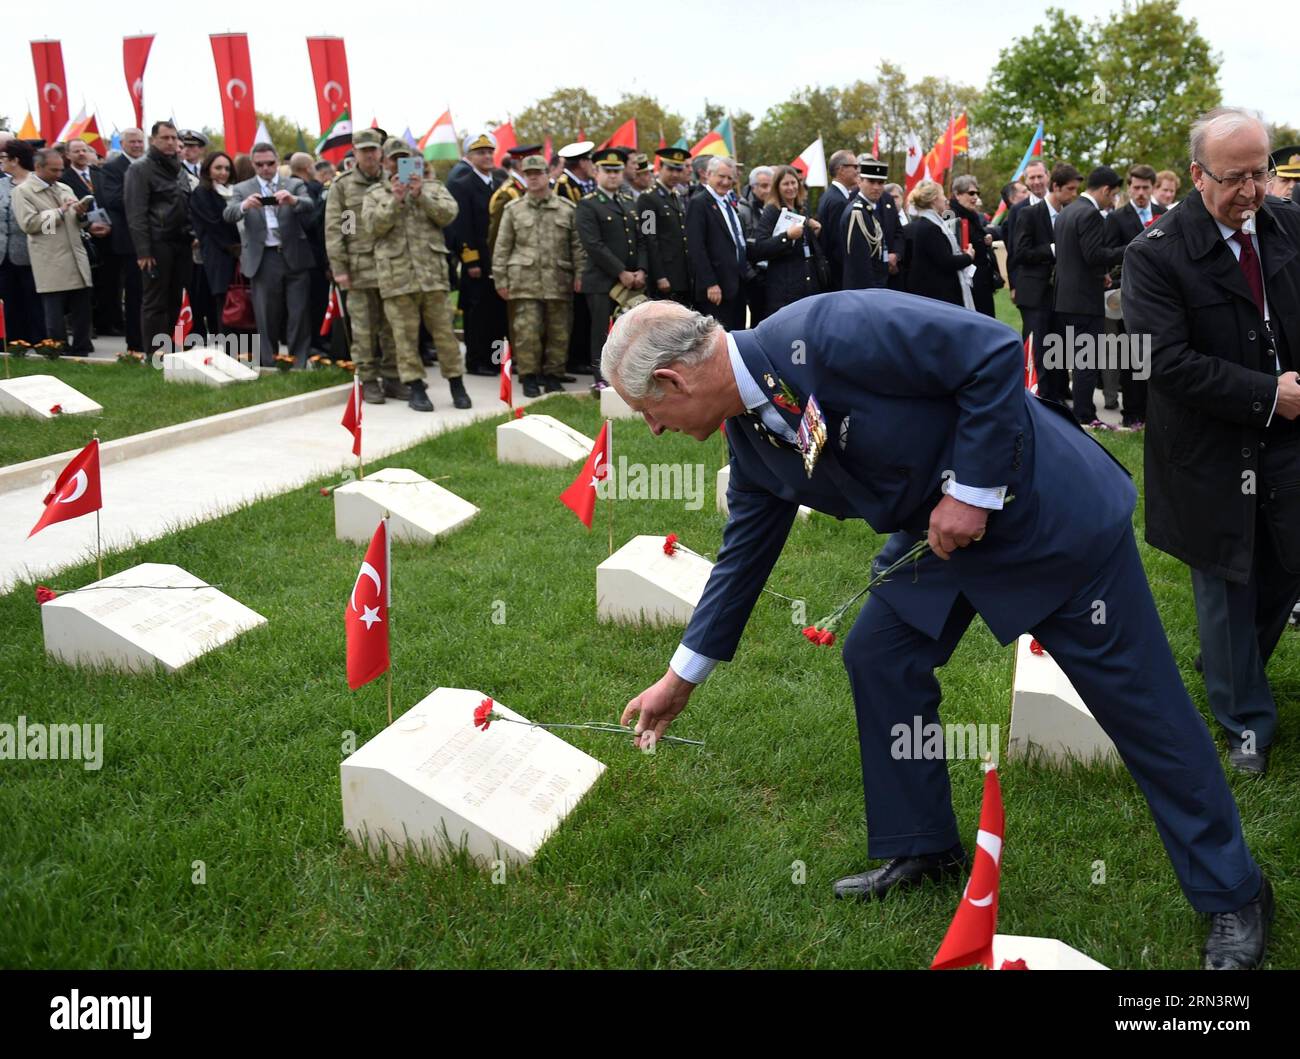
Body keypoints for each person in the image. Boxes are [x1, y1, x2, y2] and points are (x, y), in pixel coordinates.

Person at [603, 291, 1274, 971]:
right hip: (938, 540)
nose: (653, 431)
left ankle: (1234, 891)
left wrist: (969, 493)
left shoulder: (830, 329)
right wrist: (679, 679)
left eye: (647, 415)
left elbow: (988, 350)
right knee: (879, 655)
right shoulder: (750, 437)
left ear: (672, 380)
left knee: (1143, 706)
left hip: (1045, 518)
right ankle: (923, 842)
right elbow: (742, 560)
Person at [1124, 106, 1300, 783]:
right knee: (1229, 576)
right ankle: (1245, 722)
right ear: (1197, 176)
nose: (1251, 192)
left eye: (1259, 174)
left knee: (1286, 562)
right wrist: (1267, 392)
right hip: (1211, 451)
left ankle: (1231, 666)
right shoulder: (1155, 253)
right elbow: (1163, 362)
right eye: (1235, 179)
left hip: (1288, 438)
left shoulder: (1285, 225)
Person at [363, 136, 469, 412]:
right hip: (397, 278)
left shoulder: (433, 187)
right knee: (404, 336)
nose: (399, 164)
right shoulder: (376, 194)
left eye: (404, 158)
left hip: (432, 275)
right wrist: (395, 200)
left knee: (445, 333)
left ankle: (457, 384)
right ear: (385, 163)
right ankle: (416, 388)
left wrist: (421, 195)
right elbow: (372, 227)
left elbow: (449, 214)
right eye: (393, 159)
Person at [494, 154, 585, 397]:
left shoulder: (567, 209)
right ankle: (529, 376)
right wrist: (501, 280)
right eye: (528, 175)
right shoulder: (513, 210)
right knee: (526, 331)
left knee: (559, 330)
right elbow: (502, 247)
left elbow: (577, 245)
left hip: (558, 278)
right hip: (525, 281)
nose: (533, 179)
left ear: (548, 175)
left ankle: (554, 375)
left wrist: (580, 274)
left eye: (538, 174)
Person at [224, 141, 317, 367]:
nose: (266, 168)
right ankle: (269, 362)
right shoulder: (242, 188)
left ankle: (298, 362)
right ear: (253, 165)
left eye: (270, 163)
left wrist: (292, 200)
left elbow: (310, 204)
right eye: (260, 165)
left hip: (294, 254)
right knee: (266, 314)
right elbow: (228, 214)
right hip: (263, 257)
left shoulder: (293, 184)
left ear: (277, 161)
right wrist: (245, 206)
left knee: (298, 312)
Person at [12, 147, 108, 352]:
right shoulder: (23, 192)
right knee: (54, 309)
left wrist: (81, 214)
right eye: (54, 170)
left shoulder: (64, 188)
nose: (58, 174)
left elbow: (76, 224)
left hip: (76, 254)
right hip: (50, 258)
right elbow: (30, 225)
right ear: (38, 167)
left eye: (60, 170)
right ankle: (58, 349)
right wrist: (59, 212)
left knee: (82, 307)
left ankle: (82, 346)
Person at [1053, 166, 1127, 427]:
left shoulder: (1067, 212)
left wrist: (1100, 274)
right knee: (1087, 361)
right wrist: (1129, 249)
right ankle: (1085, 416)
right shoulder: (1090, 214)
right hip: (1084, 301)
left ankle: (1082, 413)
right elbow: (1094, 254)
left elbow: (1077, 258)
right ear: (1106, 190)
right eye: (1114, 195)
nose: (1113, 200)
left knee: (1078, 359)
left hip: (1065, 298)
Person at [576, 146, 647, 390]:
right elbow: (593, 245)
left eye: (617, 170)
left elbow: (643, 239)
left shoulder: (630, 202)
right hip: (602, 281)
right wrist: (621, 272)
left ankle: (627, 375)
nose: (613, 175)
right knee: (601, 332)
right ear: (596, 172)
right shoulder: (588, 205)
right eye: (607, 170)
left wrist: (642, 270)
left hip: (632, 279)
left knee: (629, 331)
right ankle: (602, 379)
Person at [1104, 165, 1167, 429]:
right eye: (1136, 187)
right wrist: (1137, 249)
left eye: (1146, 188)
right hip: (1127, 294)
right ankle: (1132, 412)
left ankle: (1154, 411)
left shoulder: (1164, 215)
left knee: (1156, 357)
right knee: (1130, 358)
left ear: (1153, 188)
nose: (1141, 193)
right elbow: (1106, 254)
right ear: (1129, 187)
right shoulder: (1117, 218)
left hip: (1160, 297)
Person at [1013, 163, 1080, 402]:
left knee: (1057, 346)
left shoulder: (1069, 214)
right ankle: (1034, 396)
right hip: (1034, 292)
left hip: (1059, 292)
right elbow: (1020, 252)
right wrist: (1053, 249)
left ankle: (1054, 394)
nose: (1074, 195)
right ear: (1056, 187)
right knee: (1037, 347)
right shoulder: (1028, 214)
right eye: (1070, 190)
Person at [125, 121, 193, 355]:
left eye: (174, 138)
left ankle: (171, 350)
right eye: (165, 138)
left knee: (175, 298)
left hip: (180, 241)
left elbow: (184, 202)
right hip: (156, 242)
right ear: (153, 140)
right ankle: (154, 353)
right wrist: (143, 250)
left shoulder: (178, 166)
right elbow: (136, 212)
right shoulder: (140, 168)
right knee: (155, 301)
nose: (171, 142)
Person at [447, 131, 507, 377]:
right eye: (480, 152)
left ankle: (494, 360)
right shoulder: (462, 184)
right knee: (477, 315)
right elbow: (461, 227)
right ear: (469, 156)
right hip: (477, 261)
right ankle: (475, 360)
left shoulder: (498, 182)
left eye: (489, 152)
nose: (486, 156)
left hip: (498, 260)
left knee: (496, 315)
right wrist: (470, 260)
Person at [95, 126, 146, 352]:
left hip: (153, 238)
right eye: (132, 142)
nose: (136, 145)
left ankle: (153, 337)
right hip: (128, 241)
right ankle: (135, 342)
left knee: (151, 294)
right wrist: (145, 200)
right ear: (122, 144)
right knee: (134, 293)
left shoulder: (148, 165)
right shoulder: (113, 168)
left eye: (139, 141)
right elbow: (112, 199)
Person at [685, 156, 747, 330]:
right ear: (709, 175)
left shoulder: (729, 203)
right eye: (721, 176)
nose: (726, 182)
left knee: (736, 335)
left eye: (730, 178)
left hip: (737, 284)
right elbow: (696, 247)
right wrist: (710, 283)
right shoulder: (699, 203)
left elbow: (737, 241)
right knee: (717, 339)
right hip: (716, 289)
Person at [751, 164, 822, 313]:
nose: (791, 187)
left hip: (806, 283)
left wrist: (812, 233)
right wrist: (787, 236)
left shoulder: (801, 208)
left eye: (793, 182)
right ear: (777, 187)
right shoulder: (772, 210)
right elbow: (760, 248)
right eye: (785, 184)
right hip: (784, 287)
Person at [188, 151, 242, 338]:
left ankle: (246, 350)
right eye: (218, 168)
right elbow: (214, 225)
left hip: (239, 255)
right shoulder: (202, 193)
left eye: (227, 168)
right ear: (208, 170)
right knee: (224, 303)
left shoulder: (235, 191)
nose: (223, 172)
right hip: (218, 254)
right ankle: (229, 349)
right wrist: (234, 247)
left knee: (241, 301)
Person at [0, 138, 45, 342]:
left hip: (31, 252)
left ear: (15, 160)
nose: (1, 161)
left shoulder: (37, 184)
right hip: (3, 253)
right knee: (8, 299)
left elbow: (48, 221)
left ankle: (39, 340)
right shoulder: (1, 184)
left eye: (3, 157)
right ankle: (13, 341)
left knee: (33, 300)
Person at [904, 180, 976, 309]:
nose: (946, 200)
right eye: (943, 195)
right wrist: (968, 257)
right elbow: (945, 261)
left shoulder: (928, 224)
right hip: (938, 295)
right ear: (934, 200)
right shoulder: (931, 227)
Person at [636, 146, 693, 307]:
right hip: (665, 276)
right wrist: (660, 276)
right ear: (660, 168)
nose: (675, 174)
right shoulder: (648, 198)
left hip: (682, 274)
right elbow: (649, 239)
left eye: (679, 169)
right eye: (670, 169)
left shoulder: (676, 196)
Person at [289, 151, 330, 349]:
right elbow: (312, 222)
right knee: (316, 300)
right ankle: (316, 340)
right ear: (307, 168)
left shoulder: (290, 188)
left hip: (298, 254)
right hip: (312, 253)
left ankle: (313, 340)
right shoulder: (308, 189)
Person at [949, 174, 1002, 317]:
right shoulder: (951, 215)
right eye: (971, 193)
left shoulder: (973, 215)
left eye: (977, 193)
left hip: (982, 278)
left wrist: (985, 238)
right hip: (967, 281)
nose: (975, 197)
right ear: (957, 194)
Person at [841, 157, 889, 291]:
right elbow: (859, 264)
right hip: (864, 291)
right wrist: (871, 292)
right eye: (871, 181)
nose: (876, 187)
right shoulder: (857, 213)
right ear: (859, 181)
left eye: (880, 183)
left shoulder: (868, 210)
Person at [814, 150, 859, 289]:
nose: (858, 171)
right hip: (838, 275)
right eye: (855, 166)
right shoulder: (837, 201)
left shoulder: (832, 196)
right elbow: (838, 243)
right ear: (841, 170)